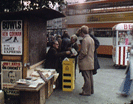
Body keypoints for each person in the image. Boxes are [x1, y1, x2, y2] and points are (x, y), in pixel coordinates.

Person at [76, 25, 95, 96]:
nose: (80, 35)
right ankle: (91, 90)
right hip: (90, 60)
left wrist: (79, 57)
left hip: (85, 61)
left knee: (86, 77)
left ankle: (86, 91)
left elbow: (84, 52)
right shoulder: (91, 39)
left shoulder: (85, 40)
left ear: (82, 33)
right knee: (90, 77)